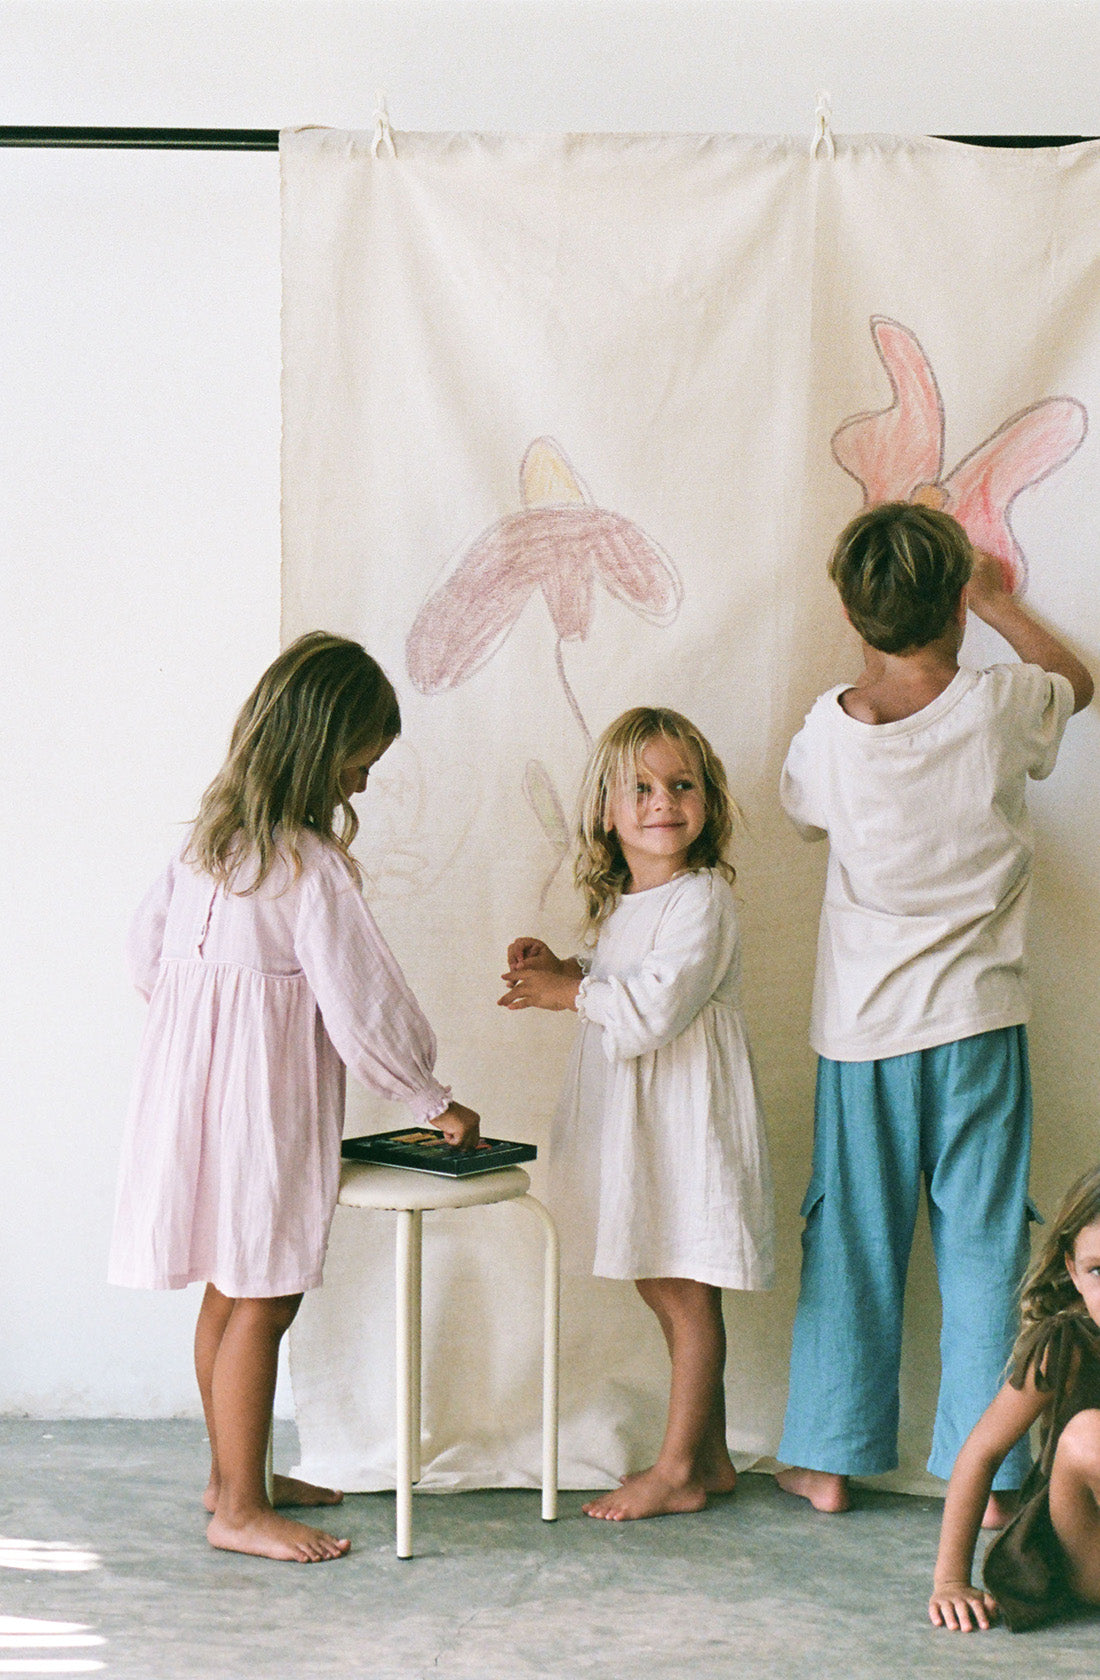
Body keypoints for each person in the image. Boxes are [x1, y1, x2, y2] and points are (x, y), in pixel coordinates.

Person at [109, 632, 480, 1563]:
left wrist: (203, 1038)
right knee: (265, 1300)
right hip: (260, 1112)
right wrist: (432, 1098)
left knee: (226, 1292)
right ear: (321, 752)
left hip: (190, 1102)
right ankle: (239, 1508)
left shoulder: (208, 849)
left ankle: (233, 1476)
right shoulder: (311, 868)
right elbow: (365, 1006)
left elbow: (144, 959)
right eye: (360, 766)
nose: (360, 787)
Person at [776, 502, 1093, 1521]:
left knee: (853, 1238)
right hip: (974, 1026)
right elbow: (1079, 682)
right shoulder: (1001, 706)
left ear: (846, 608)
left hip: (863, 1036)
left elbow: (800, 812)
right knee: (986, 1243)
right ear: (954, 606)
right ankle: (991, 1477)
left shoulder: (827, 732)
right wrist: (1000, 602)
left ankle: (826, 1458)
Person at [499, 706, 774, 1520]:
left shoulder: (702, 899)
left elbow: (653, 1009)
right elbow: (627, 975)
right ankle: (711, 1456)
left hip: (684, 1124)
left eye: (682, 785)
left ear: (709, 802)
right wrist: (569, 966)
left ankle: (681, 1467)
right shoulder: (628, 904)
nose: (664, 802)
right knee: (666, 1283)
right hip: (646, 1125)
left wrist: (568, 993)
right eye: (643, 788)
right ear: (606, 813)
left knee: (684, 1288)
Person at [930, 1163, 1100, 1633]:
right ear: (1072, 1269)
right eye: (1098, 1271)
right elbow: (981, 1451)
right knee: (1088, 1435)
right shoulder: (1067, 1347)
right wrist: (949, 1580)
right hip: (1089, 1556)